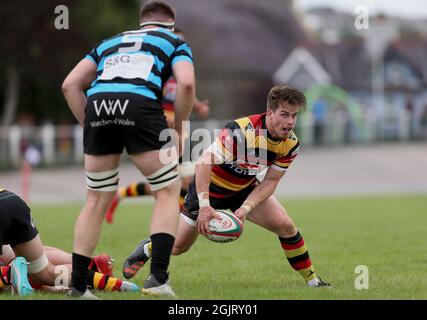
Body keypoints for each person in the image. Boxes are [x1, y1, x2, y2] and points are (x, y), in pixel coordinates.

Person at [122, 85, 330, 288]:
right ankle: (148, 246)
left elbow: (270, 181)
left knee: (285, 225)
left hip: (243, 189)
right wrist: (204, 205)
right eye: (285, 114)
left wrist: (247, 207)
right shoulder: (240, 131)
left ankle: (313, 281)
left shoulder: (290, 144)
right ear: (270, 112)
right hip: (209, 188)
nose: (290, 122)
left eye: (294, 116)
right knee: (179, 247)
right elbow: (204, 163)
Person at [62, 1, 195, 297]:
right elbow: (186, 85)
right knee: (167, 190)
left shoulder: (110, 42)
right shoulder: (174, 41)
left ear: (142, 23)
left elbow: (70, 85)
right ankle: (158, 280)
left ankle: (77, 286)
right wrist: (179, 126)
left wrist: (91, 124)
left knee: (96, 199)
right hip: (141, 106)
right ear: (170, 25)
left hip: (98, 106)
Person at [105, 27, 209, 225]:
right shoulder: (156, 70)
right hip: (161, 129)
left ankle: (121, 195)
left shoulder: (179, 72)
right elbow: (146, 99)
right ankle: (178, 221)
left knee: (174, 181)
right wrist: (162, 118)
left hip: (179, 129)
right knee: (178, 180)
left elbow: (186, 92)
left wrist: (198, 106)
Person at [0, 188, 139, 298]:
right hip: (13, 201)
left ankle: (10, 273)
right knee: (45, 273)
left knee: (17, 263)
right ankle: (113, 282)